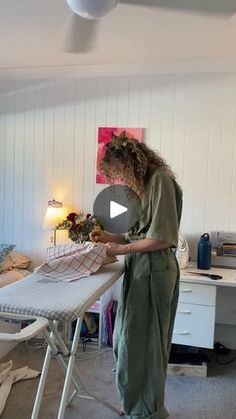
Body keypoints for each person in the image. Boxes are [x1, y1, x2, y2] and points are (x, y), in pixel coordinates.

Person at [91, 134, 183, 419]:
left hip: (155, 270)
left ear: (127, 163)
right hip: (139, 267)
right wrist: (110, 237)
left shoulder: (161, 181)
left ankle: (148, 411)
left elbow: (162, 238)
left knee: (146, 345)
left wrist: (122, 248)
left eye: (116, 172)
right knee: (125, 339)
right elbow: (136, 233)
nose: (117, 179)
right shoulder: (141, 186)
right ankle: (133, 402)